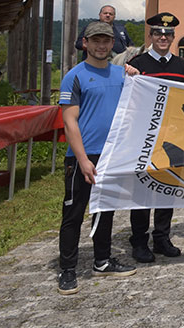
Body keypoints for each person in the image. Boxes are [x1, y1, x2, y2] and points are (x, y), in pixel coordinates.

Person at [56, 21, 135, 295]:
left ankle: (101, 260)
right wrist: (82, 159)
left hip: (112, 154)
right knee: (74, 213)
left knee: (104, 210)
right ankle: (67, 269)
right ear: (85, 43)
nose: (101, 46)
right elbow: (70, 122)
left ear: (113, 44)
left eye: (106, 41)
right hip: (82, 156)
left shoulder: (122, 74)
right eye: (96, 41)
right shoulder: (74, 76)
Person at [125, 13, 184, 263]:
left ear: (173, 38)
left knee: (166, 188)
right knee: (142, 190)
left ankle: (162, 237)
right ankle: (139, 240)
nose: (163, 37)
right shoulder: (137, 64)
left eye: (168, 34)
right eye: (158, 33)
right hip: (143, 137)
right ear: (151, 36)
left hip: (172, 137)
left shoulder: (182, 67)